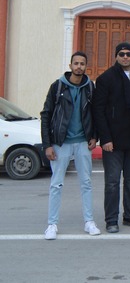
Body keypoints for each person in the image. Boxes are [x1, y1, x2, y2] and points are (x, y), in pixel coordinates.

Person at [40, 51, 100, 240]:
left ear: (85, 66)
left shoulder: (90, 87)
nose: (79, 67)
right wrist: (47, 145)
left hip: (83, 142)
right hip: (61, 143)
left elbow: (96, 113)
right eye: (76, 63)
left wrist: (95, 136)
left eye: (82, 63)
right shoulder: (57, 86)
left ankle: (89, 222)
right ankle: (52, 224)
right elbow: (46, 115)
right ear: (70, 65)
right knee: (56, 184)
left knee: (86, 183)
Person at [93, 42, 130, 233]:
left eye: (128, 54)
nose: (125, 57)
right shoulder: (105, 78)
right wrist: (105, 139)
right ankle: (111, 219)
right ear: (116, 56)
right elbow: (98, 110)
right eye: (121, 54)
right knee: (112, 182)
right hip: (113, 140)